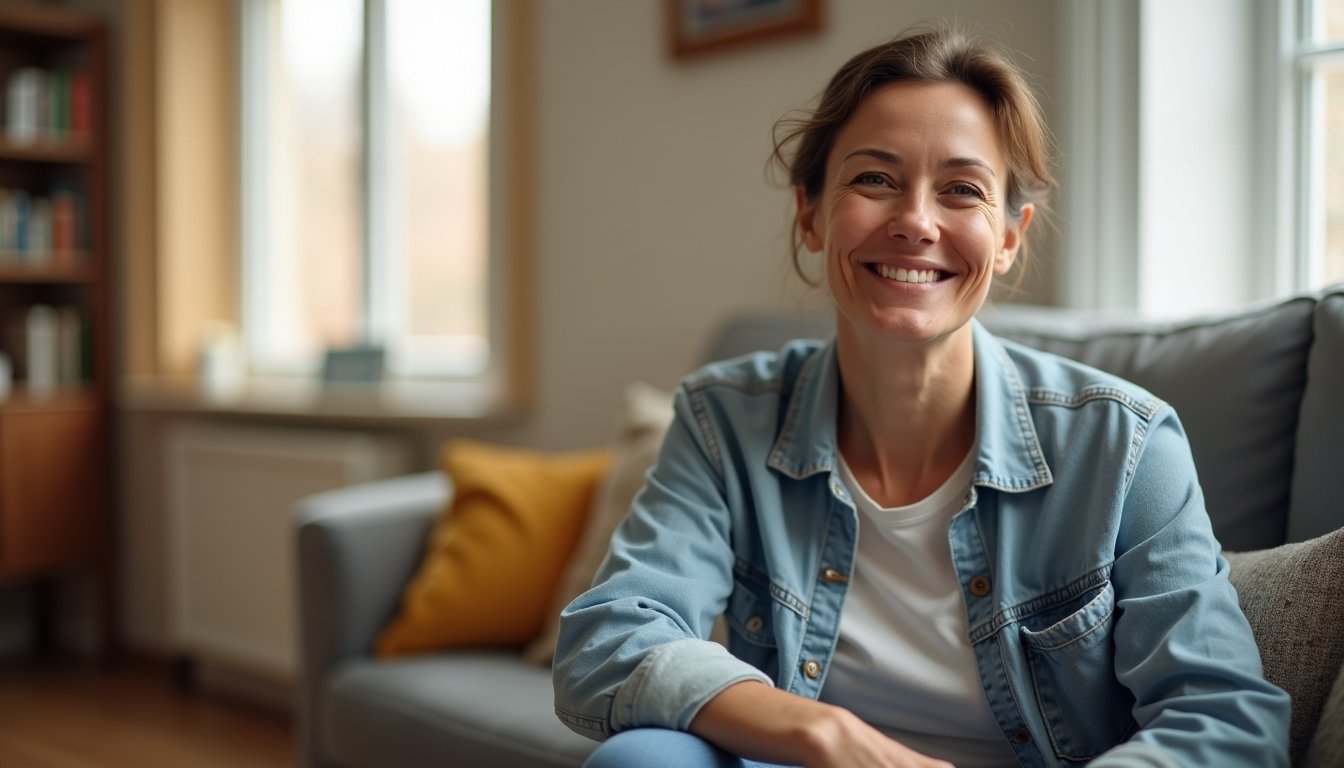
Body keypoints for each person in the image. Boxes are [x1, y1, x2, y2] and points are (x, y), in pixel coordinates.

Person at [553, 23, 1290, 768]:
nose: (915, 221)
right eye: (874, 179)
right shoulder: (725, 420)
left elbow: (1225, 719)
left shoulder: (1125, 447)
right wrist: (828, 735)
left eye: (962, 190)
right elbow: (609, 637)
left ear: (1007, 238)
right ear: (811, 213)